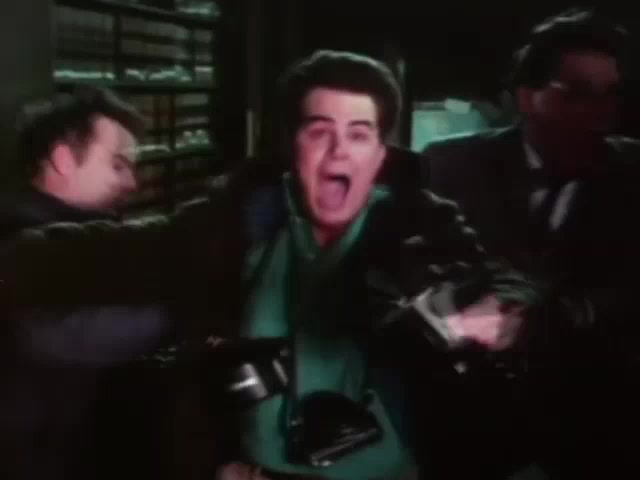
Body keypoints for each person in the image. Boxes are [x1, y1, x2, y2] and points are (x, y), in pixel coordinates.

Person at [0, 51, 543, 480]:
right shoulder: (237, 221)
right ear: (291, 146)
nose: (338, 152)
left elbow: (496, 278)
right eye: (319, 131)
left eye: (359, 134)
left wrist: (500, 312)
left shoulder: (418, 221)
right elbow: (114, 250)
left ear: (380, 155)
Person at [423, 8, 640, 478]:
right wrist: (454, 310)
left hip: (598, 433)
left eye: (611, 94)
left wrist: (543, 318)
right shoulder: (450, 167)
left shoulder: (632, 175)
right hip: (464, 431)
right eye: (578, 93)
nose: (602, 111)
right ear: (526, 97)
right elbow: (404, 273)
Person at [0, 87, 173, 480]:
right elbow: (55, 328)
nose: (132, 182)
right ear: (63, 160)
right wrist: (189, 312)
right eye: (118, 165)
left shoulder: (88, 236)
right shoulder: (14, 237)